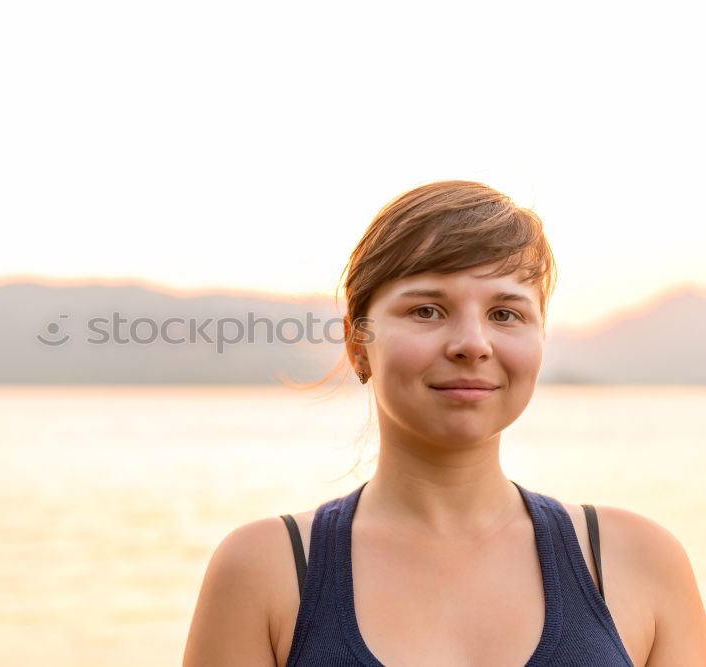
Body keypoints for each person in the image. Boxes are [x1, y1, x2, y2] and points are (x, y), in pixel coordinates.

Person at [182, 181, 706, 666]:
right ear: (356, 344)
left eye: (505, 313)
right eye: (428, 310)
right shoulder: (265, 570)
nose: (473, 344)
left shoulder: (638, 561)